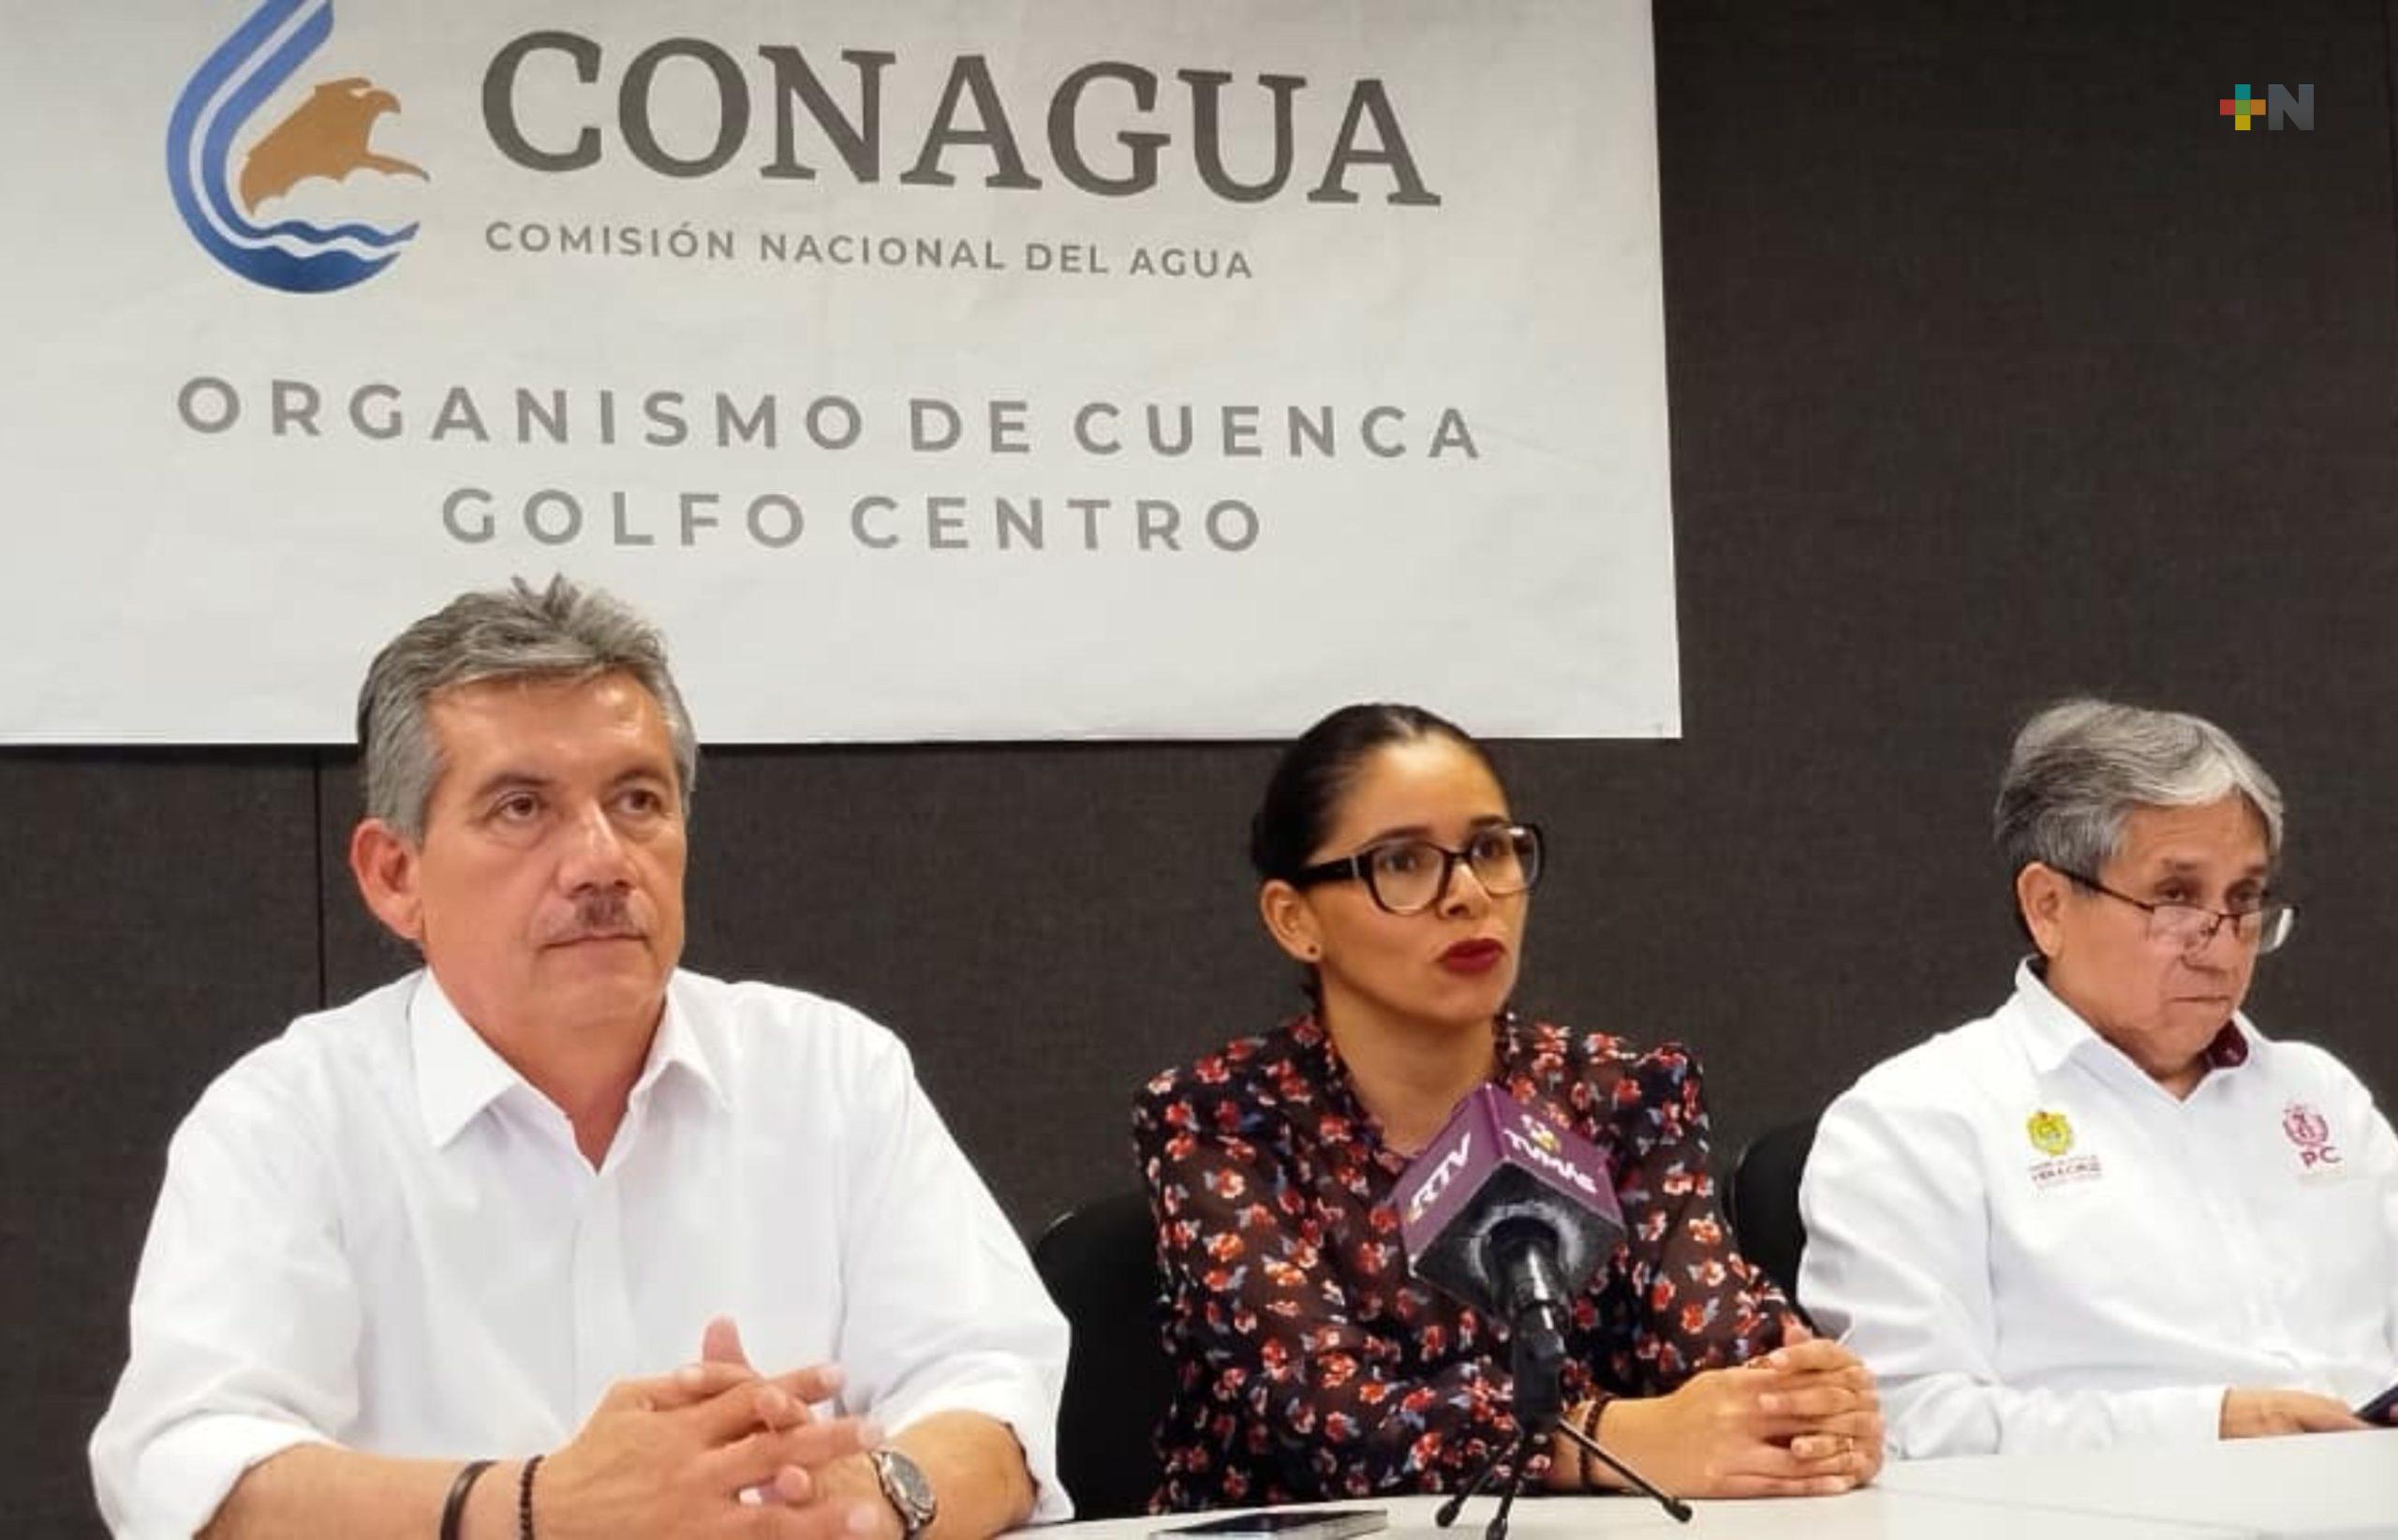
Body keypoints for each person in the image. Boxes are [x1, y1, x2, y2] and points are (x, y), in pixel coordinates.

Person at [91, 577, 1069, 1539]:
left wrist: (869, 1505)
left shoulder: (831, 1073)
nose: (601, 860)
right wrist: (537, 1508)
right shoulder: (289, 1118)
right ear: (395, 875)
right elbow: (191, 1472)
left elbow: (994, 1392)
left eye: (637, 800)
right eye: (522, 808)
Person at [1132, 703, 1883, 1510]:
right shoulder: (1221, 1120)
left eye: (1491, 850)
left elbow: (1722, 1341)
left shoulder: (1621, 1094)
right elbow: (1325, 1416)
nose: (1468, 894)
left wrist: (1803, 1403)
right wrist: (1602, 1441)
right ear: (1295, 919)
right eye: (1404, 863)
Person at [1799, 698, 2398, 1457]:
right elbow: (1910, 1423)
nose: (2222, 950)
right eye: (2175, 899)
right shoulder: (1917, 1118)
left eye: (2244, 900)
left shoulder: (2321, 1095)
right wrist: (2211, 1427)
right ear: (2048, 906)